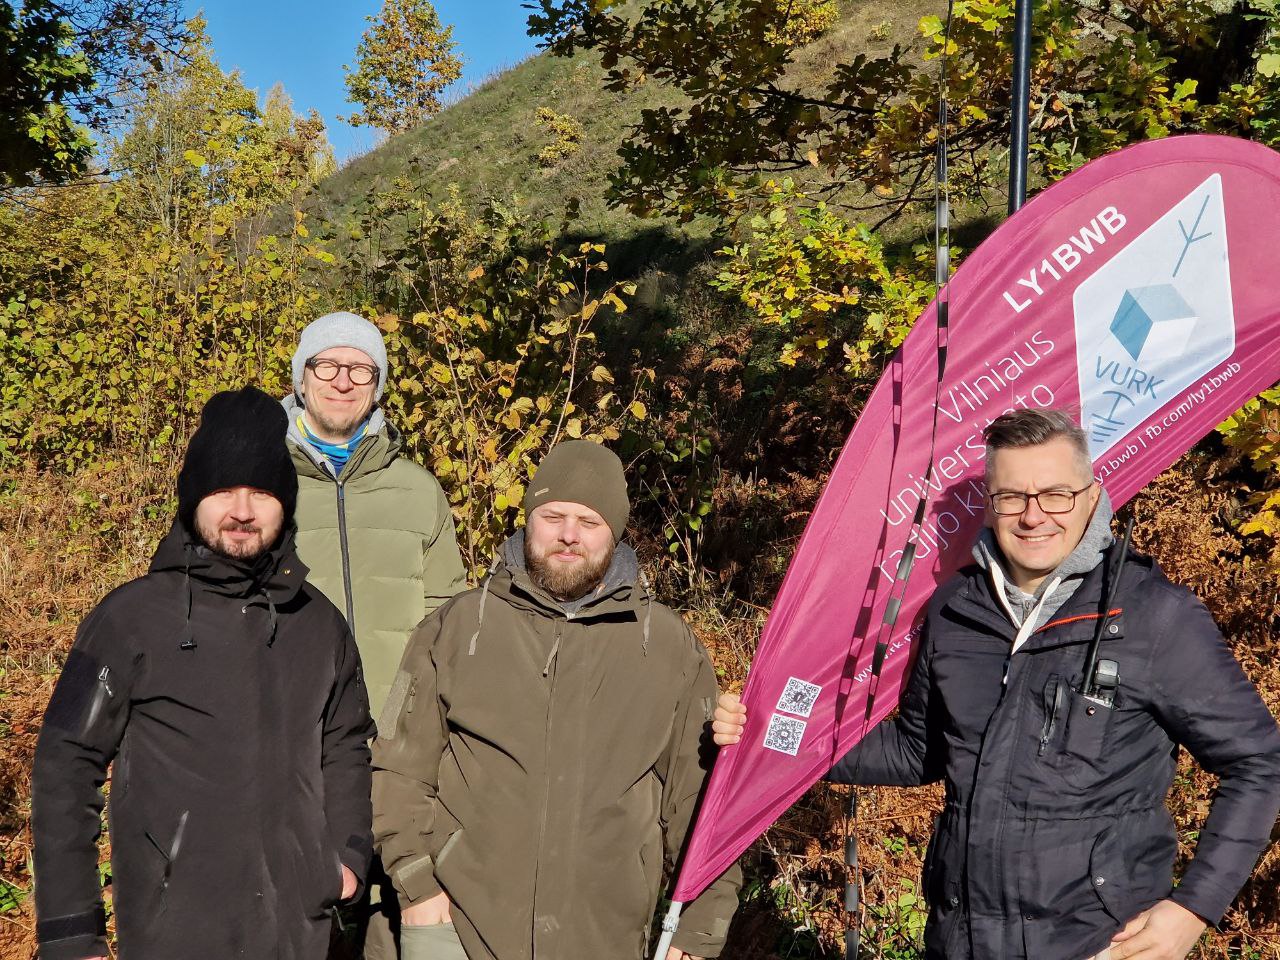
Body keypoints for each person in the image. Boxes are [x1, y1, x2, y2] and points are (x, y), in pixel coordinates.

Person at [712, 408, 1280, 960]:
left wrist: (1193, 910)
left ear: (1090, 497)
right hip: (960, 938)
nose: (1034, 517)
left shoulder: (1153, 616)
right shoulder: (954, 608)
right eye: (1012, 497)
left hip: (1099, 942)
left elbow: (1259, 762)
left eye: (1055, 494)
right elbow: (919, 750)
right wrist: (771, 732)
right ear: (990, 504)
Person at [32, 386, 374, 960]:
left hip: (300, 928)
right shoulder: (131, 618)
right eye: (223, 490)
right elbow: (66, 766)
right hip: (175, 927)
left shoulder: (319, 624)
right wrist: (71, 931)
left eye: (261, 492)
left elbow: (345, 746)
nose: (242, 511)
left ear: (285, 503)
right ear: (193, 498)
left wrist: (347, 857)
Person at [373, 440, 742, 960]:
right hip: (457, 928)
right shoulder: (457, 627)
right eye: (553, 516)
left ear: (614, 533)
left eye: (589, 522)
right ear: (528, 521)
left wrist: (699, 929)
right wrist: (415, 883)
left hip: (601, 937)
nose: (569, 535)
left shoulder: (666, 647)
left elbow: (703, 800)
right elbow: (397, 770)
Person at [283, 312, 467, 957]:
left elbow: (449, 621)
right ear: (301, 378)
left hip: (398, 746)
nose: (342, 381)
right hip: (291, 742)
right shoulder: (260, 489)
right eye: (325, 365)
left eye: (359, 368)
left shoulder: (417, 492)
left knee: (395, 910)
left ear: (378, 384)